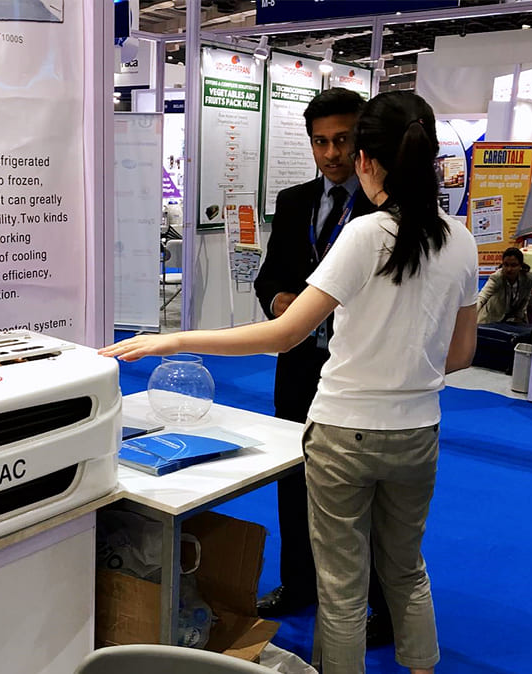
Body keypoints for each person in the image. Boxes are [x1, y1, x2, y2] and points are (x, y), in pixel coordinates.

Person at [100, 90, 478, 674]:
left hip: (345, 432)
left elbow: (284, 334)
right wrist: (407, 362)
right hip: (418, 431)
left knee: (341, 585)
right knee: (406, 569)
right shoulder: (461, 239)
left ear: (366, 159)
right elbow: (460, 354)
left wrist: (173, 340)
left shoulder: (366, 234)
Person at [252, 86, 391, 646]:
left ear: (363, 141)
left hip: (360, 371)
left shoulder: (386, 210)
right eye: (320, 142)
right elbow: (268, 275)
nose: (331, 153)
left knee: (363, 494)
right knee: (294, 478)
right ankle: (298, 583)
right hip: (298, 368)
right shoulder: (294, 201)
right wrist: (278, 301)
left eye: (342, 140)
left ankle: (379, 604)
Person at [477, 247, 532, 324]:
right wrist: (470, 315)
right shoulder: (497, 277)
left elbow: (526, 299)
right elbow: (482, 297)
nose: (509, 269)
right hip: (491, 321)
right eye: (506, 265)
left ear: (521, 265)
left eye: (513, 265)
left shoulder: (528, 278)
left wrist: (519, 317)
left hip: (515, 321)